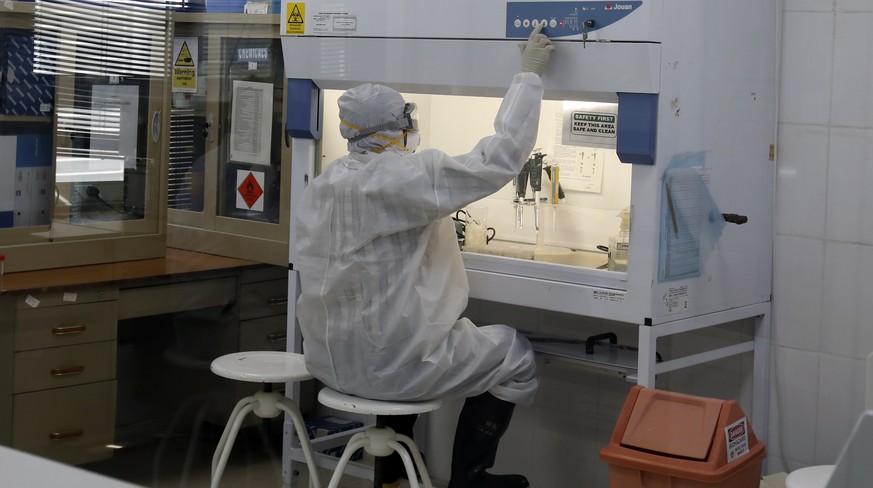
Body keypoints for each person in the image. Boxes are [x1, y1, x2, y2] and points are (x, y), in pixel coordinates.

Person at [294, 24, 555, 488]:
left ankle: (393, 475)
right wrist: (529, 77)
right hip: (394, 368)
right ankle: (470, 479)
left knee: (398, 341)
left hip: (328, 364)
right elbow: (498, 160)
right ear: (401, 125)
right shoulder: (405, 177)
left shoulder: (323, 185)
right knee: (514, 354)